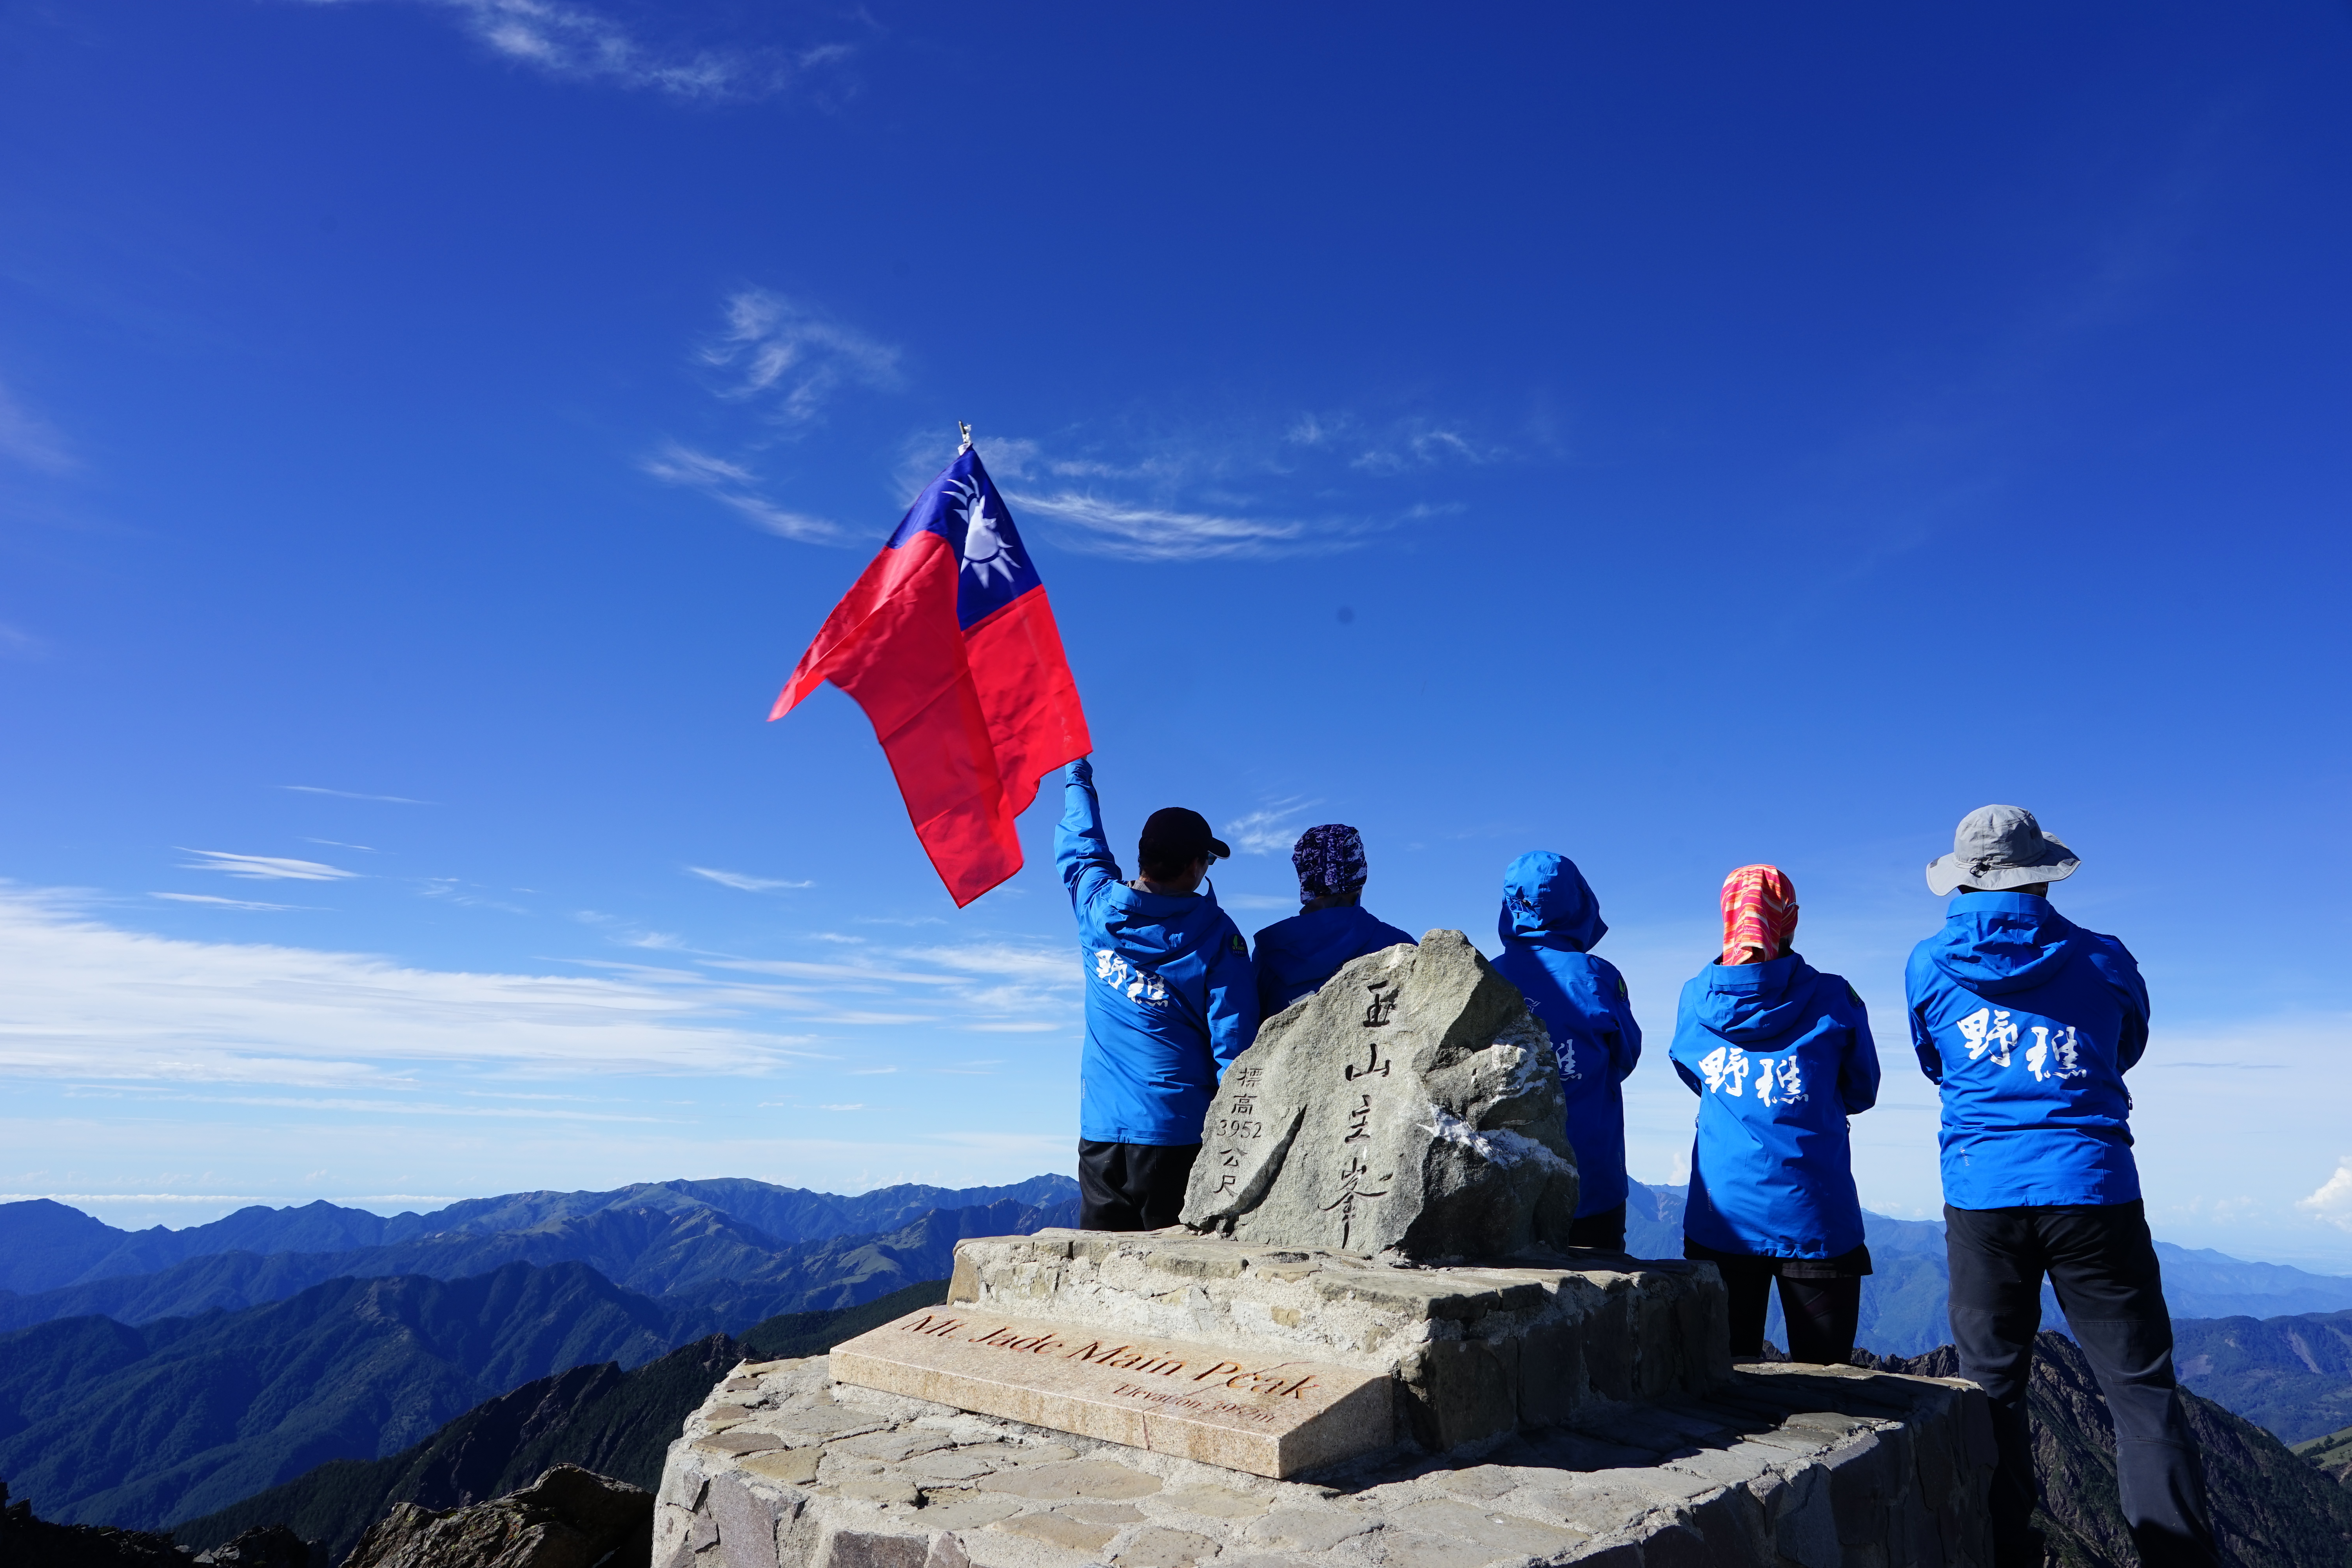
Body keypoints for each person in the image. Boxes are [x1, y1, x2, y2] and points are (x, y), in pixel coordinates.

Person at [1909, 805, 2214, 1568]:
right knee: (2141, 1392)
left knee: (1991, 1389)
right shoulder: (2105, 958)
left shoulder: (1927, 964)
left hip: (1983, 1193)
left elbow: (1934, 1060)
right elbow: (2125, 1045)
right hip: (2093, 1186)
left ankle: (2007, 1553)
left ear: (1965, 880)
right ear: (2042, 875)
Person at [1669, 864, 1879, 1364]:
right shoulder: (1834, 999)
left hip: (1722, 1217)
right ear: (1790, 920)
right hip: (1815, 1215)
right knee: (1827, 1382)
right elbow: (1862, 1089)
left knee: (1722, 1377)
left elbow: (1691, 1073)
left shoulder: (1695, 999)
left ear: (1727, 917)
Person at [1056, 756, 1259, 1232]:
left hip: (1100, 1134)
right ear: (1192, 867)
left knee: (1101, 1268)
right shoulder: (1217, 937)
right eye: (1208, 860)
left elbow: (1080, 843)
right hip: (1177, 1134)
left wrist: (1076, 775)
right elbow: (1234, 1047)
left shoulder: (1096, 909)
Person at [1490, 852, 1642, 1250]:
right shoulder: (1597, 977)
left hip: (1506, 1174)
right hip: (1591, 1177)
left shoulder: (1487, 977)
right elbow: (1627, 1054)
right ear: (1577, 900)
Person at [1250, 824, 1417, 1017]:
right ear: (1360, 874)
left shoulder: (1271, 951)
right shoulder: (1399, 945)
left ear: (1304, 874)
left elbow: (1252, 1023)